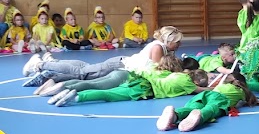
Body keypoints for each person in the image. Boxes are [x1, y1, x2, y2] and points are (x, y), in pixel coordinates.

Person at [26, 26, 183, 91]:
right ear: (168, 41)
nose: (179, 44)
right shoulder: (158, 48)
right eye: (177, 42)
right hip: (120, 65)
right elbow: (157, 71)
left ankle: (50, 72)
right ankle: (41, 64)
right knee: (82, 72)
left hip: (122, 65)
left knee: (85, 69)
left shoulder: (164, 48)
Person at [55, 64, 208, 107]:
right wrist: (214, 87)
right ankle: (77, 97)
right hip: (144, 89)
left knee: (110, 90)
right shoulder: (188, 84)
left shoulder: (178, 75)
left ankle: (71, 92)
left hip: (140, 80)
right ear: (196, 81)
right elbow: (200, 90)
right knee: (109, 95)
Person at [157, 74, 259, 132]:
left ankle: (175, 114)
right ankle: (200, 116)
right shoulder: (240, 91)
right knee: (211, 108)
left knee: (192, 107)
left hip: (204, 95)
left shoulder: (221, 86)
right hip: (220, 98)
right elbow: (249, 99)